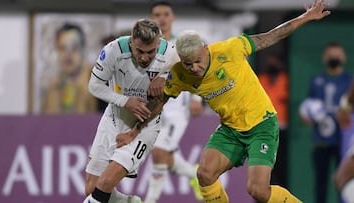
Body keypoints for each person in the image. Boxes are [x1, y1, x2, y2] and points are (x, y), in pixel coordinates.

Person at [116, 1, 330, 202]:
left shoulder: (231, 49)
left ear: (206, 49)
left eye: (197, 61)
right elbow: (159, 102)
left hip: (261, 124)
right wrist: (135, 131)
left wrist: (306, 16)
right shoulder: (181, 74)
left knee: (257, 190)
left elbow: (271, 36)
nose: (194, 69)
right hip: (230, 130)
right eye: (188, 64)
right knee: (204, 174)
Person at [82, 18, 179, 203]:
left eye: (151, 52)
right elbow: (94, 86)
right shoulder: (113, 49)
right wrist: (125, 102)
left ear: (159, 43)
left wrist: (167, 76)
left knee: (106, 182)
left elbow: (192, 72)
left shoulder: (171, 54)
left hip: (146, 125)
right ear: (131, 41)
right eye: (139, 51)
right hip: (114, 118)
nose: (144, 57)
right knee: (91, 187)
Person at [144, 2, 204, 203]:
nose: (161, 18)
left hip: (178, 108)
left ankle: (150, 200)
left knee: (159, 153)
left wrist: (197, 98)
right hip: (154, 107)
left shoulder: (182, 45)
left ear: (172, 18)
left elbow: (197, 70)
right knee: (163, 154)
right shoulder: (147, 48)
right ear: (151, 18)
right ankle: (194, 175)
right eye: (157, 14)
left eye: (165, 14)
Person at [299, 42, 352, 203]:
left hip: (343, 141)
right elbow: (307, 108)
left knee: (344, 181)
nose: (334, 58)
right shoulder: (316, 80)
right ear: (324, 58)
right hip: (321, 141)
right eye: (330, 55)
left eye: (337, 55)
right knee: (320, 183)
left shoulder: (350, 80)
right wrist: (306, 116)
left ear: (343, 57)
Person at [42, 23, 97, 113]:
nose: (68, 55)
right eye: (62, 48)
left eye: (74, 48)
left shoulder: (98, 82)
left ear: (83, 50)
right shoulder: (54, 86)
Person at [258, 53, 289, 187]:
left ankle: (281, 191)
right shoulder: (261, 79)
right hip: (263, 127)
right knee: (265, 162)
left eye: (275, 62)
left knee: (281, 162)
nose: (272, 65)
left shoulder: (285, 79)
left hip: (281, 127)